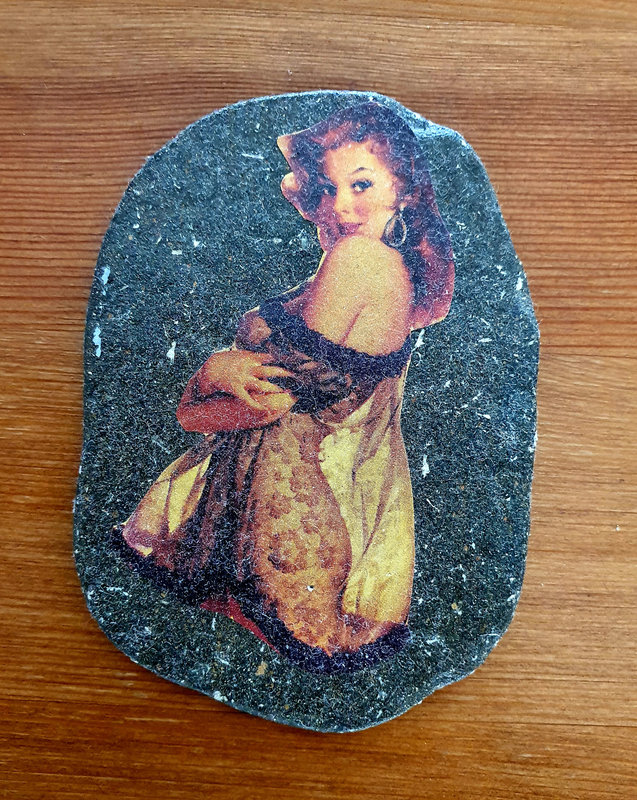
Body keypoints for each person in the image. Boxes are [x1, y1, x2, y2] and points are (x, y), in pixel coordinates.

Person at [116, 101, 455, 673]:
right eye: (328, 188)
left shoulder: (362, 260)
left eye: (361, 184)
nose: (340, 206)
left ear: (403, 190)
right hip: (260, 513)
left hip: (286, 528)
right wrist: (213, 380)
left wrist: (204, 381)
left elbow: (263, 407)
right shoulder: (368, 265)